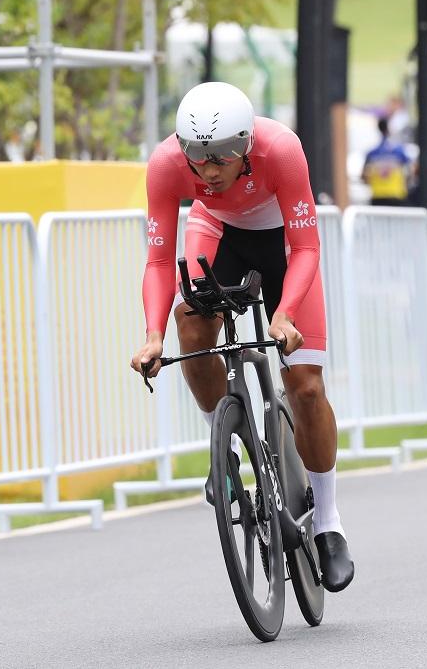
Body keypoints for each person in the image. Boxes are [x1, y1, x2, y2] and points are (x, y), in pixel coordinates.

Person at [130, 82, 354, 592]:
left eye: (221, 157)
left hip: (284, 248)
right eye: (197, 156)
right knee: (190, 321)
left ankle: (328, 521)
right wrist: (151, 336)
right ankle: (224, 445)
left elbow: (306, 247)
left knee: (306, 386)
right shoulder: (166, 164)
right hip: (219, 233)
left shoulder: (281, 149)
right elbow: (160, 261)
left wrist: (285, 313)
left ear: (247, 145)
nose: (208, 170)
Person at [362, 115, 410, 206]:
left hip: (377, 195)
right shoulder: (398, 151)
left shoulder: (372, 153)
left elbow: (364, 175)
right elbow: (409, 171)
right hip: (396, 194)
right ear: (389, 129)